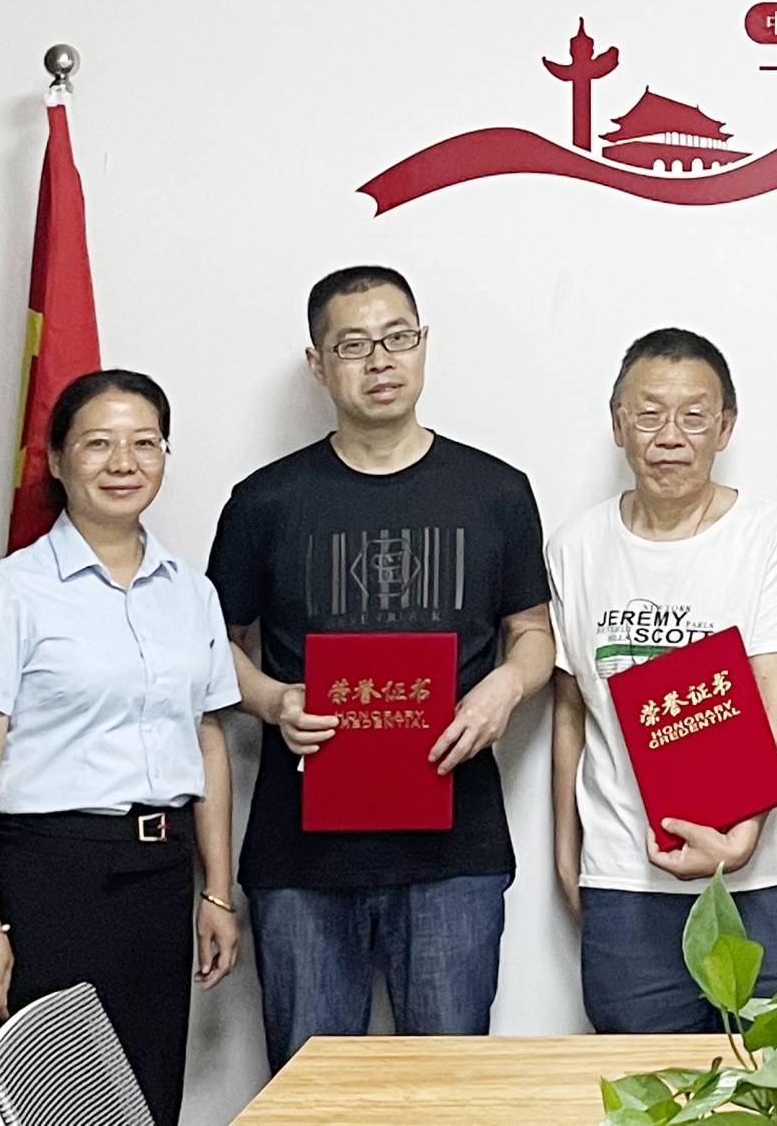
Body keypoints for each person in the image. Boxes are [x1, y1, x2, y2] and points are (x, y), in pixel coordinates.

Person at [207, 266, 555, 1070]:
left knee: (447, 1094)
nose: (380, 359)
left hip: (453, 850)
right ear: (317, 363)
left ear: (423, 343)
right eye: (353, 344)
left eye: (398, 337)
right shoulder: (265, 501)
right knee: (310, 1095)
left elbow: (533, 632)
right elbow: (212, 644)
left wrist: (505, 686)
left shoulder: (496, 491)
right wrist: (272, 699)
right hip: (301, 854)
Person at [0, 369, 241, 1126]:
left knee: (142, 1096)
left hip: (159, 878)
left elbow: (207, 739)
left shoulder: (192, 592)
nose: (124, 462)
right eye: (98, 443)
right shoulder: (11, 591)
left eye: (145, 443)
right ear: (56, 457)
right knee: (33, 1099)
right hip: (50, 878)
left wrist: (216, 890)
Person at [549, 328, 777, 1030]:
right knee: (644, 1084)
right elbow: (572, 708)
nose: (670, 436)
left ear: (725, 427)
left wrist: (740, 836)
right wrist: (568, 854)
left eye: (694, 416)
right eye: (648, 414)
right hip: (628, 881)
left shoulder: (772, 537)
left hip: (766, 878)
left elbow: (774, 694)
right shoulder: (575, 547)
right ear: (618, 423)